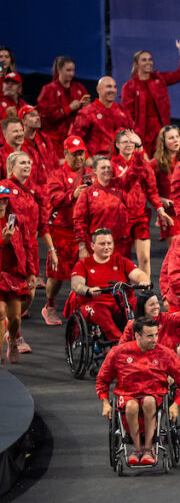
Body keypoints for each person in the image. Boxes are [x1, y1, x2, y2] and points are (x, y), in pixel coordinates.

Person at [95, 316, 180, 465]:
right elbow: (102, 379)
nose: (154, 339)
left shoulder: (165, 353)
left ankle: (148, 448)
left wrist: (176, 403)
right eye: (149, 336)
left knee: (148, 401)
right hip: (127, 395)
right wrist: (105, 403)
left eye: (156, 335)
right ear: (137, 336)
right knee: (131, 405)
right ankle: (137, 449)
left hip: (155, 396)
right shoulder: (119, 352)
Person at [3, 151, 53, 335]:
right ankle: (13, 334)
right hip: (10, 248)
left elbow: (41, 224)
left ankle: (11, 326)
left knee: (29, 294)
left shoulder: (31, 192)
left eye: (29, 163)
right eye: (22, 163)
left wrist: (51, 249)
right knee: (13, 295)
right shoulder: (4, 187)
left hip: (30, 249)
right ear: (11, 167)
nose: (27, 166)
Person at [43, 136, 92, 324]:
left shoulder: (90, 173)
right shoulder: (57, 175)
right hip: (62, 231)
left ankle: (79, 307)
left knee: (84, 272)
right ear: (65, 154)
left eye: (81, 153)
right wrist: (74, 194)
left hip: (84, 230)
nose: (79, 158)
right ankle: (50, 305)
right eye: (74, 154)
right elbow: (54, 199)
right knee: (57, 275)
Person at [69, 228, 149, 340]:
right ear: (92, 246)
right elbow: (76, 284)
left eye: (109, 243)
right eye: (102, 244)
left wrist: (144, 281)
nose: (107, 247)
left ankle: (147, 336)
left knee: (144, 303)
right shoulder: (83, 264)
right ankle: (120, 342)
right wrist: (88, 290)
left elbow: (139, 274)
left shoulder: (120, 260)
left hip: (119, 302)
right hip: (94, 303)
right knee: (101, 312)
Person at [110, 128, 167, 277]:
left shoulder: (142, 164)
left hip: (140, 217)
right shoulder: (111, 166)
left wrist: (160, 210)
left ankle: (145, 292)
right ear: (117, 145)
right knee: (122, 260)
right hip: (120, 219)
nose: (129, 145)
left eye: (132, 142)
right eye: (125, 142)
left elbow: (152, 190)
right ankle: (123, 293)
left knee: (145, 259)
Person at [120, 36, 180, 154]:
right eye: (144, 60)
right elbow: (127, 114)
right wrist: (135, 133)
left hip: (161, 129)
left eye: (150, 59)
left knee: (163, 159)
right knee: (145, 160)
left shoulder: (159, 78)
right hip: (142, 131)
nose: (148, 62)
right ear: (136, 64)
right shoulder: (129, 86)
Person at [119, 281, 180, 361]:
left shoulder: (166, 319)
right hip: (141, 367)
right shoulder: (132, 325)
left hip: (165, 366)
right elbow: (120, 350)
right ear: (142, 307)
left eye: (157, 303)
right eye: (152, 304)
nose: (156, 307)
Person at [73, 155, 133, 258]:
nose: (107, 170)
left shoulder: (120, 187)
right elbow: (79, 220)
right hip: (96, 246)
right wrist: (82, 247)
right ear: (95, 171)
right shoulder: (88, 192)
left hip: (119, 246)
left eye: (109, 167)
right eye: (103, 168)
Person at [0, 185, 29, 364]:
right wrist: (3, 241)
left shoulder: (14, 221)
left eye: (4, 199)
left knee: (15, 318)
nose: (1, 203)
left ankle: (12, 340)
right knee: (0, 311)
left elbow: (27, 245)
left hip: (13, 276)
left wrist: (32, 272)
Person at [70, 76, 133, 158]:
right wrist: (86, 158)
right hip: (96, 163)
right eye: (108, 87)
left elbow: (130, 134)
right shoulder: (87, 112)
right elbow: (75, 139)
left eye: (114, 87)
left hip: (119, 162)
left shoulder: (121, 110)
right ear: (98, 89)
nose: (113, 90)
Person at [35, 56, 90, 143]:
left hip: (75, 138)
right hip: (54, 139)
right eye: (68, 70)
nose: (71, 73)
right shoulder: (49, 89)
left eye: (73, 70)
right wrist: (69, 108)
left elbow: (88, 114)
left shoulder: (79, 88)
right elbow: (46, 117)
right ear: (59, 70)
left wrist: (86, 107)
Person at [150, 125, 180, 238]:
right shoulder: (155, 163)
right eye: (171, 138)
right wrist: (160, 199)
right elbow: (147, 188)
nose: (176, 139)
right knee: (175, 252)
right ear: (163, 142)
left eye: (177, 136)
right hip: (170, 214)